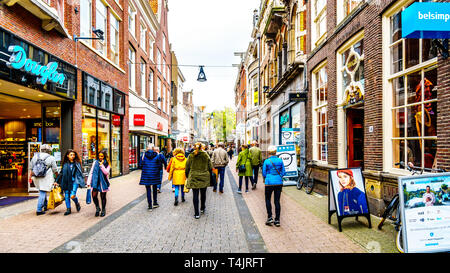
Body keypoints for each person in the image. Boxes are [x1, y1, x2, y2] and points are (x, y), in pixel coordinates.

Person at [185, 142, 212, 219]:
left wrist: (187, 176)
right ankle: (202, 208)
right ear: (201, 147)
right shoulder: (205, 155)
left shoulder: (191, 156)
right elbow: (210, 166)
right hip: (204, 176)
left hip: (194, 176)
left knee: (195, 195)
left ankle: (196, 213)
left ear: (194, 147)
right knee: (203, 193)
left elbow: (187, 167)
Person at [30, 144, 58, 215]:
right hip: (46, 177)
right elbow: (55, 169)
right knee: (42, 192)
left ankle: (45, 206)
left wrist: (30, 177)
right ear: (49, 151)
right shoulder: (51, 157)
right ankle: (39, 210)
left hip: (36, 177)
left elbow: (31, 167)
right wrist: (57, 176)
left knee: (42, 190)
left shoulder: (35, 156)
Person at [262, 145, 286, 227]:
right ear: (275, 152)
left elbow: (264, 173)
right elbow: (284, 172)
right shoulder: (280, 160)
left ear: (269, 152)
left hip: (269, 182)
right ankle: (277, 220)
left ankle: (269, 217)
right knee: (277, 201)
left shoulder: (266, 161)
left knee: (268, 199)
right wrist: (279, 176)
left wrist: (268, 176)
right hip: (278, 182)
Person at [57, 149, 85, 216]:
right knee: (66, 195)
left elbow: (80, 173)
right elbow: (61, 173)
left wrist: (81, 181)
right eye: (71, 155)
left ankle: (77, 203)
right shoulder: (65, 164)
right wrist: (56, 181)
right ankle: (68, 209)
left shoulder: (77, 163)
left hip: (75, 181)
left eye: (74, 155)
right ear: (67, 156)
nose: (73, 156)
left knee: (72, 195)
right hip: (66, 181)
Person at [86, 150, 110, 217]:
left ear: (104, 156)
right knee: (94, 196)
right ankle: (97, 208)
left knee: (103, 197)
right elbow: (91, 172)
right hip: (95, 182)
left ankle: (103, 210)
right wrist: (88, 182)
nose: (100, 157)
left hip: (103, 182)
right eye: (99, 156)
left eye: (102, 156)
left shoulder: (107, 164)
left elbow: (106, 172)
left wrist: (101, 165)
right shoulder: (95, 162)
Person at [139, 145, 164, 210]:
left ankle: (150, 206)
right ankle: (155, 203)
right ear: (153, 149)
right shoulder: (157, 155)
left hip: (146, 175)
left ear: (147, 149)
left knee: (148, 190)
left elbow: (140, 165)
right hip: (155, 174)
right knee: (155, 189)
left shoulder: (143, 155)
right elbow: (160, 166)